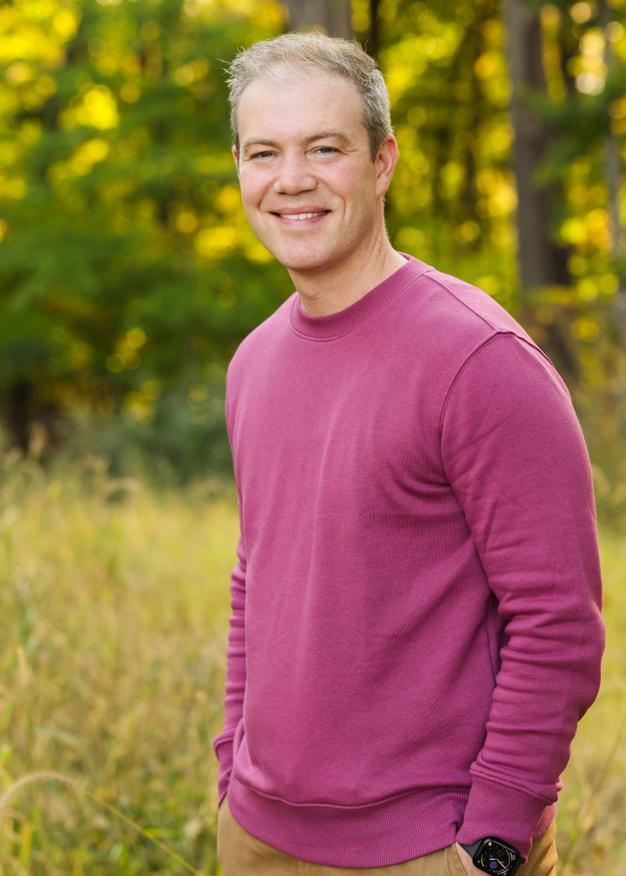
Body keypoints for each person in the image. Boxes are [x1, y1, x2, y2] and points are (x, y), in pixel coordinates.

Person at [211, 30, 605, 876]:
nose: (291, 179)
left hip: (429, 846)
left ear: (382, 161)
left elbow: (559, 623)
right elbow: (256, 577)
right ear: (239, 166)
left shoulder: (479, 360)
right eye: (264, 152)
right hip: (257, 838)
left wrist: (494, 842)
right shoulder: (253, 362)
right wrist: (229, 776)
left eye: (325, 148)